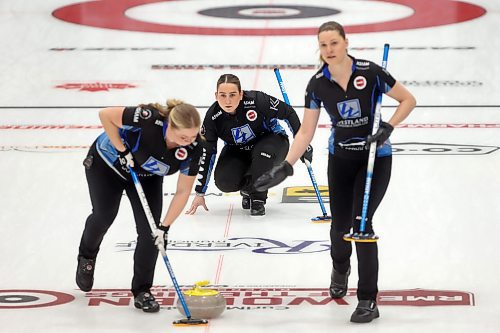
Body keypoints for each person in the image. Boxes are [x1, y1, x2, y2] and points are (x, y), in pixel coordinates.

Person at [254, 21, 416, 323]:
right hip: (340, 160)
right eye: (323, 45)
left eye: (334, 43)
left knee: (362, 224)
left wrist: (388, 127)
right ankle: (340, 267)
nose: (329, 50)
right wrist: (285, 166)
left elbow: (408, 100)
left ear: (345, 43)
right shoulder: (317, 84)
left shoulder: (370, 72)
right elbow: (305, 132)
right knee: (340, 228)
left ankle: (368, 298)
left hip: (375, 159)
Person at [76, 99, 203, 313]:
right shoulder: (147, 119)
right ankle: (86, 257)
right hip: (107, 164)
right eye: (183, 137)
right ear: (169, 126)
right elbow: (105, 114)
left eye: (193, 136)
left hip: (147, 177)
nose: (188, 142)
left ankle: (142, 290)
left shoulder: (194, 148)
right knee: (104, 215)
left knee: (151, 234)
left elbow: (182, 192)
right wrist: (122, 150)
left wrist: (164, 227)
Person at [185, 73, 312, 217]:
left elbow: (288, 113)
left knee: (263, 154)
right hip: (238, 148)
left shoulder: (257, 100)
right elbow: (208, 155)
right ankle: (248, 187)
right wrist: (200, 192)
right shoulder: (212, 118)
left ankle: (258, 199)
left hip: (272, 141)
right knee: (224, 182)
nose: (228, 100)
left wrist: (303, 144)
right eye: (223, 95)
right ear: (216, 95)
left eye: (232, 95)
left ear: (241, 94)